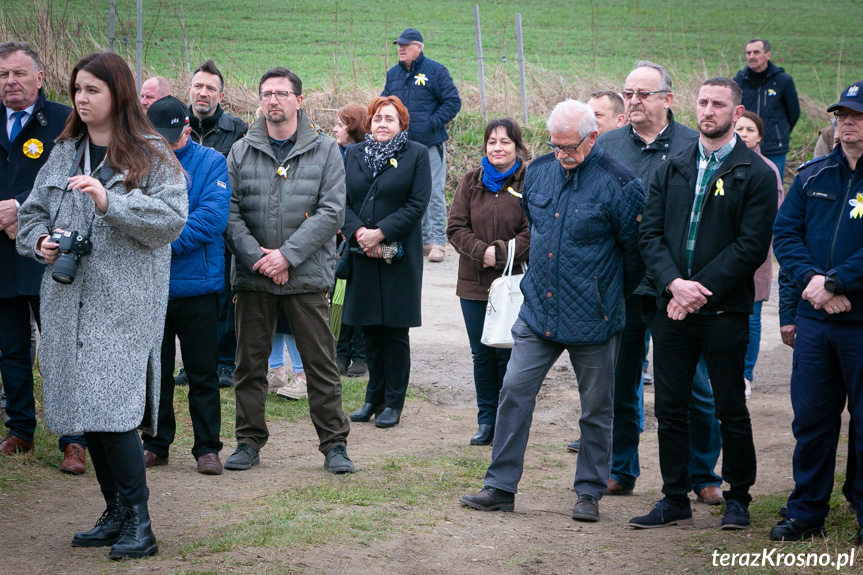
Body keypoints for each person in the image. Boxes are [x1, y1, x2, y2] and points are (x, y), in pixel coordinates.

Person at [16, 51, 187, 559]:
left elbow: (172, 219)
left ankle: (141, 525)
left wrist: (111, 202)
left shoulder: (152, 153)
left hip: (124, 306)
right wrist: (41, 241)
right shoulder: (64, 151)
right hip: (67, 304)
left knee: (113, 413)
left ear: (119, 93)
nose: (82, 99)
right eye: (77, 90)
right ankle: (114, 513)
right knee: (88, 413)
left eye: (93, 89)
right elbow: (31, 215)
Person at [460, 99, 645, 522]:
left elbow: (634, 256)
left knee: (596, 409)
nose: (562, 155)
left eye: (570, 147)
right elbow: (535, 229)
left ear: (593, 137)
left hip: (594, 319)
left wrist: (604, 293)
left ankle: (589, 493)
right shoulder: (539, 172)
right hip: (538, 313)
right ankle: (500, 486)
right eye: (555, 146)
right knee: (513, 393)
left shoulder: (620, 184)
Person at [632, 77, 777, 531]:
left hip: (723, 312)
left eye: (718, 104)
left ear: (736, 114)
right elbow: (649, 235)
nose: (708, 110)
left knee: (729, 406)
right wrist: (675, 284)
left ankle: (738, 498)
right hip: (671, 309)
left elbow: (750, 246)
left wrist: (697, 290)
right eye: (702, 102)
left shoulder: (753, 172)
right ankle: (674, 497)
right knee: (669, 409)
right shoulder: (671, 166)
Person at [582, 62, 723, 507]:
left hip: (675, 288)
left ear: (668, 98)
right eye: (629, 93)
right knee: (620, 383)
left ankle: (703, 473)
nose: (635, 100)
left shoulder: (691, 145)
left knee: (692, 385)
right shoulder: (605, 147)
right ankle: (620, 469)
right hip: (620, 285)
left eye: (644, 93)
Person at [223, 66, 354, 474]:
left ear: (299, 100)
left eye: (281, 93)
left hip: (306, 275)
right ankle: (248, 442)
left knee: (321, 365)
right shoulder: (241, 151)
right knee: (249, 365)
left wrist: (287, 256)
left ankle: (334, 445)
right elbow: (228, 214)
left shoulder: (325, 149)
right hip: (254, 277)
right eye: (266, 94)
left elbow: (332, 210)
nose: (273, 100)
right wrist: (261, 259)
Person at [771, 81, 863, 544]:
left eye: (858, 115)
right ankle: (807, 513)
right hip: (816, 324)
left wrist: (835, 282)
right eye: (843, 114)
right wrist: (813, 284)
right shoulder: (811, 176)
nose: (848, 122)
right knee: (811, 421)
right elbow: (785, 235)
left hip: (860, 324)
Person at [0, 41, 88, 474]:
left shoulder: (63, 121)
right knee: (11, 348)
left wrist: (17, 206)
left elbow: (75, 180)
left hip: (47, 251)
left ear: (39, 77)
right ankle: (20, 429)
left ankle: (73, 439)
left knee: (59, 348)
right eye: (2, 75)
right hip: (1, 255)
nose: (10, 82)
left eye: (18, 73)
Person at [140, 95, 230, 475]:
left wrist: (161, 241)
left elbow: (211, 218)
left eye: (170, 137)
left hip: (198, 289)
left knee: (202, 372)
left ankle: (207, 448)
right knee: (154, 373)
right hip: (152, 289)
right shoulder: (138, 162)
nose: (163, 143)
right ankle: (157, 443)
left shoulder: (213, 162)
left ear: (187, 130)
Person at [341, 96, 431, 428]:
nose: (382, 124)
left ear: (401, 125)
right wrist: (359, 233)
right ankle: (372, 399)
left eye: (389, 119)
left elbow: (417, 203)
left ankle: (393, 402)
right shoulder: (353, 154)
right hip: (362, 252)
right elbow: (342, 200)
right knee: (369, 331)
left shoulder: (417, 155)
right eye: (377, 118)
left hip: (398, 254)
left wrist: (380, 233)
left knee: (394, 332)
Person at [447, 118, 530, 446]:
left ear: (517, 147)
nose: (498, 147)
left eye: (505, 142)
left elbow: (534, 229)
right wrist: (483, 253)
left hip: (515, 284)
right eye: (492, 142)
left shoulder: (530, 181)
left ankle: (508, 420)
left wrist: (503, 252)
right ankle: (486, 419)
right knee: (481, 353)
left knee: (508, 353)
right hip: (474, 282)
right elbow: (455, 227)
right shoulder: (471, 181)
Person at [187, 60, 248, 388]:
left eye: (211, 88)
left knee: (223, 296)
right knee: (191, 299)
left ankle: (225, 361)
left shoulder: (237, 130)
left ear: (221, 95)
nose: (203, 93)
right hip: (184, 228)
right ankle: (196, 362)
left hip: (222, 231)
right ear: (190, 89)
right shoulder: (176, 125)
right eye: (199, 86)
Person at [382, 28, 461, 262]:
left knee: (434, 191)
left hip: (429, 144)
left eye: (406, 45)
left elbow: (452, 101)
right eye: (399, 45)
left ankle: (438, 242)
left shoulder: (435, 71)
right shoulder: (393, 74)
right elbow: (385, 102)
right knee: (407, 193)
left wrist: (431, 124)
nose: (401, 49)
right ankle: (424, 240)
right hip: (401, 147)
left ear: (419, 47)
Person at [733, 110, 784, 398]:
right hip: (722, 254)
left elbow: (774, 219)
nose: (743, 133)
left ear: (760, 136)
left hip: (757, 257)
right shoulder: (723, 163)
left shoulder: (768, 169)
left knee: (751, 316)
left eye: (750, 129)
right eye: (739, 128)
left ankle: (746, 373)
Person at [332, 102, 368, 377]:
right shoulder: (336, 155)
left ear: (354, 126)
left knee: (358, 296)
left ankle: (360, 355)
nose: (335, 128)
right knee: (339, 297)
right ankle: (339, 351)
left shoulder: (365, 157)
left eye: (341, 124)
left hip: (358, 235)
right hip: (338, 238)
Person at [733, 38, 800, 178]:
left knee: (774, 187)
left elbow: (793, 112)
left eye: (756, 52)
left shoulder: (783, 81)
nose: (751, 56)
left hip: (774, 148)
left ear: (767, 55)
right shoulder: (739, 81)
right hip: (744, 145)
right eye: (748, 53)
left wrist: (778, 132)